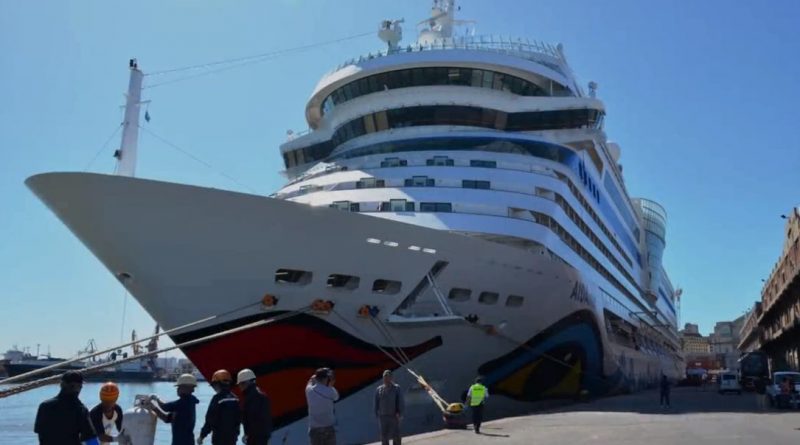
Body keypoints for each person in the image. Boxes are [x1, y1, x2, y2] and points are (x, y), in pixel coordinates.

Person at [34, 371, 98, 445]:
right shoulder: (80, 409)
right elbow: (91, 439)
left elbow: (40, 433)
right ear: (80, 387)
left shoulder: (44, 406)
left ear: (61, 384)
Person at [151, 373, 200, 445]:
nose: (177, 389)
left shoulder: (183, 403)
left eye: (179, 387)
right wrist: (155, 404)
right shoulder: (189, 402)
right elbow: (167, 418)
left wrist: (155, 401)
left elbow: (164, 407)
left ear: (187, 388)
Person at [198, 370, 241, 445]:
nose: (214, 388)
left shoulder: (217, 399)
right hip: (232, 438)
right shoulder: (235, 399)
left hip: (219, 439)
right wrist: (236, 434)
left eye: (214, 385)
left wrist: (202, 436)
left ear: (218, 384)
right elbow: (238, 419)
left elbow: (210, 420)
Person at [305, 367, 340, 445]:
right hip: (328, 427)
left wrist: (313, 378)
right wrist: (330, 385)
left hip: (314, 429)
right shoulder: (331, 391)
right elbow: (336, 397)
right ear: (326, 379)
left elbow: (309, 383)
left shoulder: (309, 390)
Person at [237, 368, 272, 445]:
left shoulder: (250, 398)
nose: (240, 387)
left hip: (255, 438)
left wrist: (248, 435)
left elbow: (251, 419)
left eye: (240, 384)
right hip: (263, 437)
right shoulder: (262, 395)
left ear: (245, 383)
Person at [374, 370, 404, 445]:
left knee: (396, 436)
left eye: (388, 377)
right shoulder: (379, 389)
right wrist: (376, 412)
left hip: (393, 415)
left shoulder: (396, 388)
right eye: (385, 377)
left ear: (391, 378)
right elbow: (376, 402)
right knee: (384, 436)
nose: (386, 379)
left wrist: (400, 413)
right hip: (383, 416)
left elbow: (400, 401)